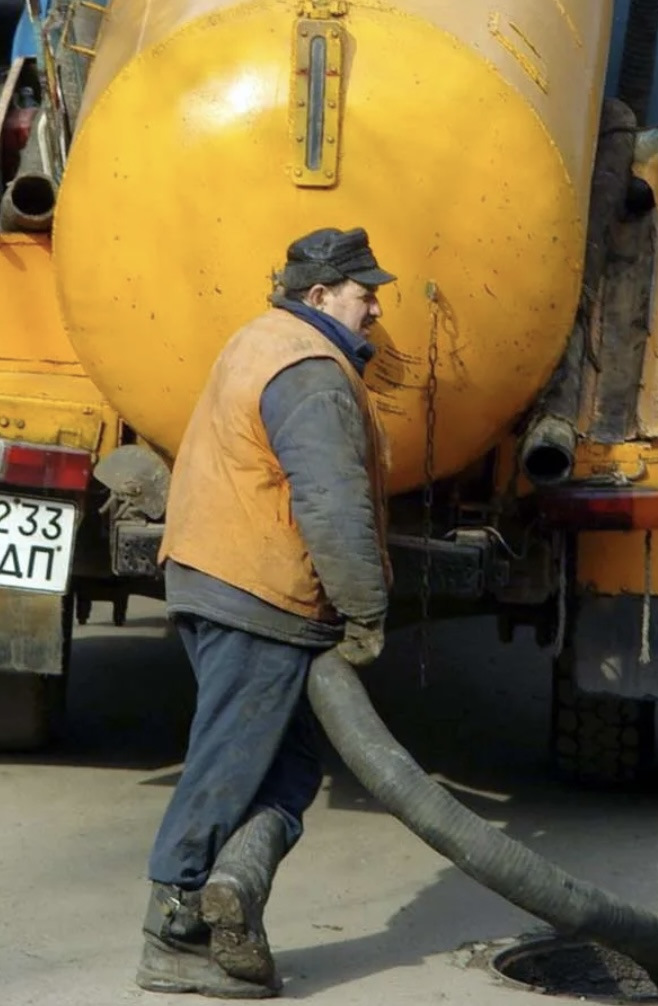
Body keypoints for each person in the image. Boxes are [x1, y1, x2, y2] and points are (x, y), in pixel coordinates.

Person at [135, 227, 397, 998]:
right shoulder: (311, 373)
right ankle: (173, 932)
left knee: (283, 767)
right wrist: (364, 611)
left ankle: (232, 895)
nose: (377, 306)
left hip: (215, 572)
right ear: (318, 296)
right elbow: (331, 504)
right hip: (257, 591)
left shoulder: (262, 338)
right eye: (364, 291)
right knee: (230, 761)